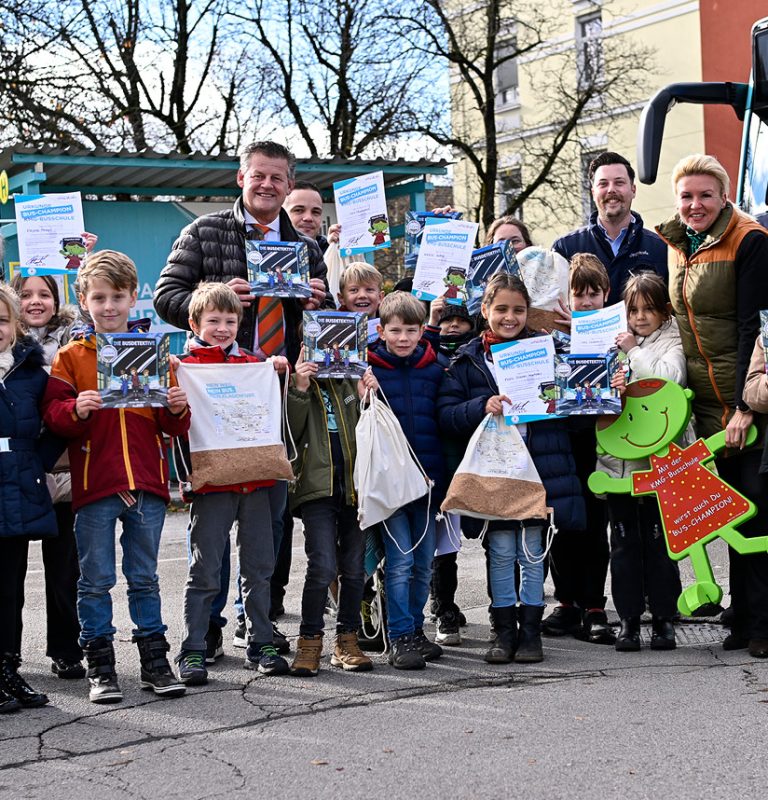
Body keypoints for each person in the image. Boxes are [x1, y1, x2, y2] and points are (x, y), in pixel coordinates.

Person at [154, 141, 332, 659]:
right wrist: (213, 294)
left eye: (278, 178)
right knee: (213, 525)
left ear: (288, 183)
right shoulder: (205, 232)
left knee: (267, 520)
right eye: (259, 175)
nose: (267, 185)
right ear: (241, 177)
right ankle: (205, 630)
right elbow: (168, 296)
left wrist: (319, 302)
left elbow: (323, 325)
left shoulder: (303, 244)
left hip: (280, 393)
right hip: (220, 398)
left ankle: (260, 624)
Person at [43, 251, 190, 703]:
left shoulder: (155, 354)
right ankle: (101, 667)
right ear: (84, 301)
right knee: (95, 579)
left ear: (132, 299)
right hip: (95, 484)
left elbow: (172, 426)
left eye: (118, 297)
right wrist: (76, 410)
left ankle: (154, 662)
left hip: (146, 483)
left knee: (144, 576)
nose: (109, 307)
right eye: (99, 298)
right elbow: (54, 416)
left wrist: (177, 406)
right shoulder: (70, 358)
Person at [438, 274, 585, 665]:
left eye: (518, 309)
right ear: (484, 310)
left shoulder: (548, 351)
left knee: (533, 552)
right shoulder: (467, 361)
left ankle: (531, 633)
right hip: (495, 474)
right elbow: (447, 416)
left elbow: (573, 403)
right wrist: (480, 405)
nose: (509, 317)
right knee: (501, 551)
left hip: (539, 470)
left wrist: (560, 398)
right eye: (501, 309)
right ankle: (503, 631)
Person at [656, 153, 768, 658]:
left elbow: (754, 327)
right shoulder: (678, 246)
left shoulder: (749, 241)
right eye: (686, 196)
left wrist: (747, 407)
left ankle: (764, 623)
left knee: (758, 512)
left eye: (705, 194)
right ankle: (742, 617)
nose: (695, 204)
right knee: (729, 517)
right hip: (702, 405)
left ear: (724, 196)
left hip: (745, 404)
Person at [173, 283, 290, 684]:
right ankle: (193, 647)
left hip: (256, 480)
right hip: (211, 484)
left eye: (229, 321)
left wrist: (275, 372)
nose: (222, 328)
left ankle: (260, 640)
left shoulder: (253, 363)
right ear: (194, 323)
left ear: (240, 324)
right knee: (205, 569)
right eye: (213, 321)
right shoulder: (184, 364)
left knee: (259, 566)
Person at [596, 272, 685, 651]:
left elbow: (670, 378)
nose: (641, 317)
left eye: (649, 309)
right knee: (623, 543)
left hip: (659, 460)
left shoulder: (673, 338)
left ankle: (664, 618)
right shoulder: (609, 340)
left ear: (664, 310)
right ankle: (628, 620)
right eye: (633, 310)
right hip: (617, 460)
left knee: (659, 541)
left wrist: (634, 351)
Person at [287, 346, 379, 675]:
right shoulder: (297, 383)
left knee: (354, 569)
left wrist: (365, 395)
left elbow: (370, 430)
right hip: (316, 491)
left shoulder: (349, 382)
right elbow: (290, 434)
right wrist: (299, 386)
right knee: (322, 567)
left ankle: (347, 641)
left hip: (355, 489)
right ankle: (309, 642)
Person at [368, 292, 446, 670]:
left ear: (421, 332)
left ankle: (416, 629)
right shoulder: (368, 370)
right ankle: (398, 635)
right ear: (380, 330)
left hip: (428, 481)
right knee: (398, 562)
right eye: (395, 330)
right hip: (389, 485)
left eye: (411, 330)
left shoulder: (435, 368)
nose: (403, 338)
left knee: (423, 563)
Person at [11, 273, 83, 680]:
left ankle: (66, 648)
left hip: (62, 471)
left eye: (45, 294)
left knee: (64, 570)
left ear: (58, 301)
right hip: (18, 474)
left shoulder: (74, 343)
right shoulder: (9, 348)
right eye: (26, 294)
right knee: (10, 574)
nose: (35, 301)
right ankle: (10, 656)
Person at [543, 253, 615, 644]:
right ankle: (566, 602)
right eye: (578, 294)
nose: (586, 302)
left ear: (605, 294)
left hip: (599, 441)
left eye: (593, 294)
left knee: (593, 524)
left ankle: (594, 604)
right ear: (566, 297)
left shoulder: (613, 334)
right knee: (564, 524)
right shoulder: (551, 335)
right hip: (560, 441)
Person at [0, 284, 59, 712]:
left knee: (10, 588)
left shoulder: (34, 375)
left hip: (19, 488)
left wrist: (31, 463)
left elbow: (56, 424)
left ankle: (8, 669)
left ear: (17, 324)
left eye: (2, 320)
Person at [552, 152, 667, 300]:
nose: (611, 190)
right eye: (603, 184)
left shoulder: (660, 248)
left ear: (633, 190)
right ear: (593, 193)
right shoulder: (565, 248)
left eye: (619, 182)